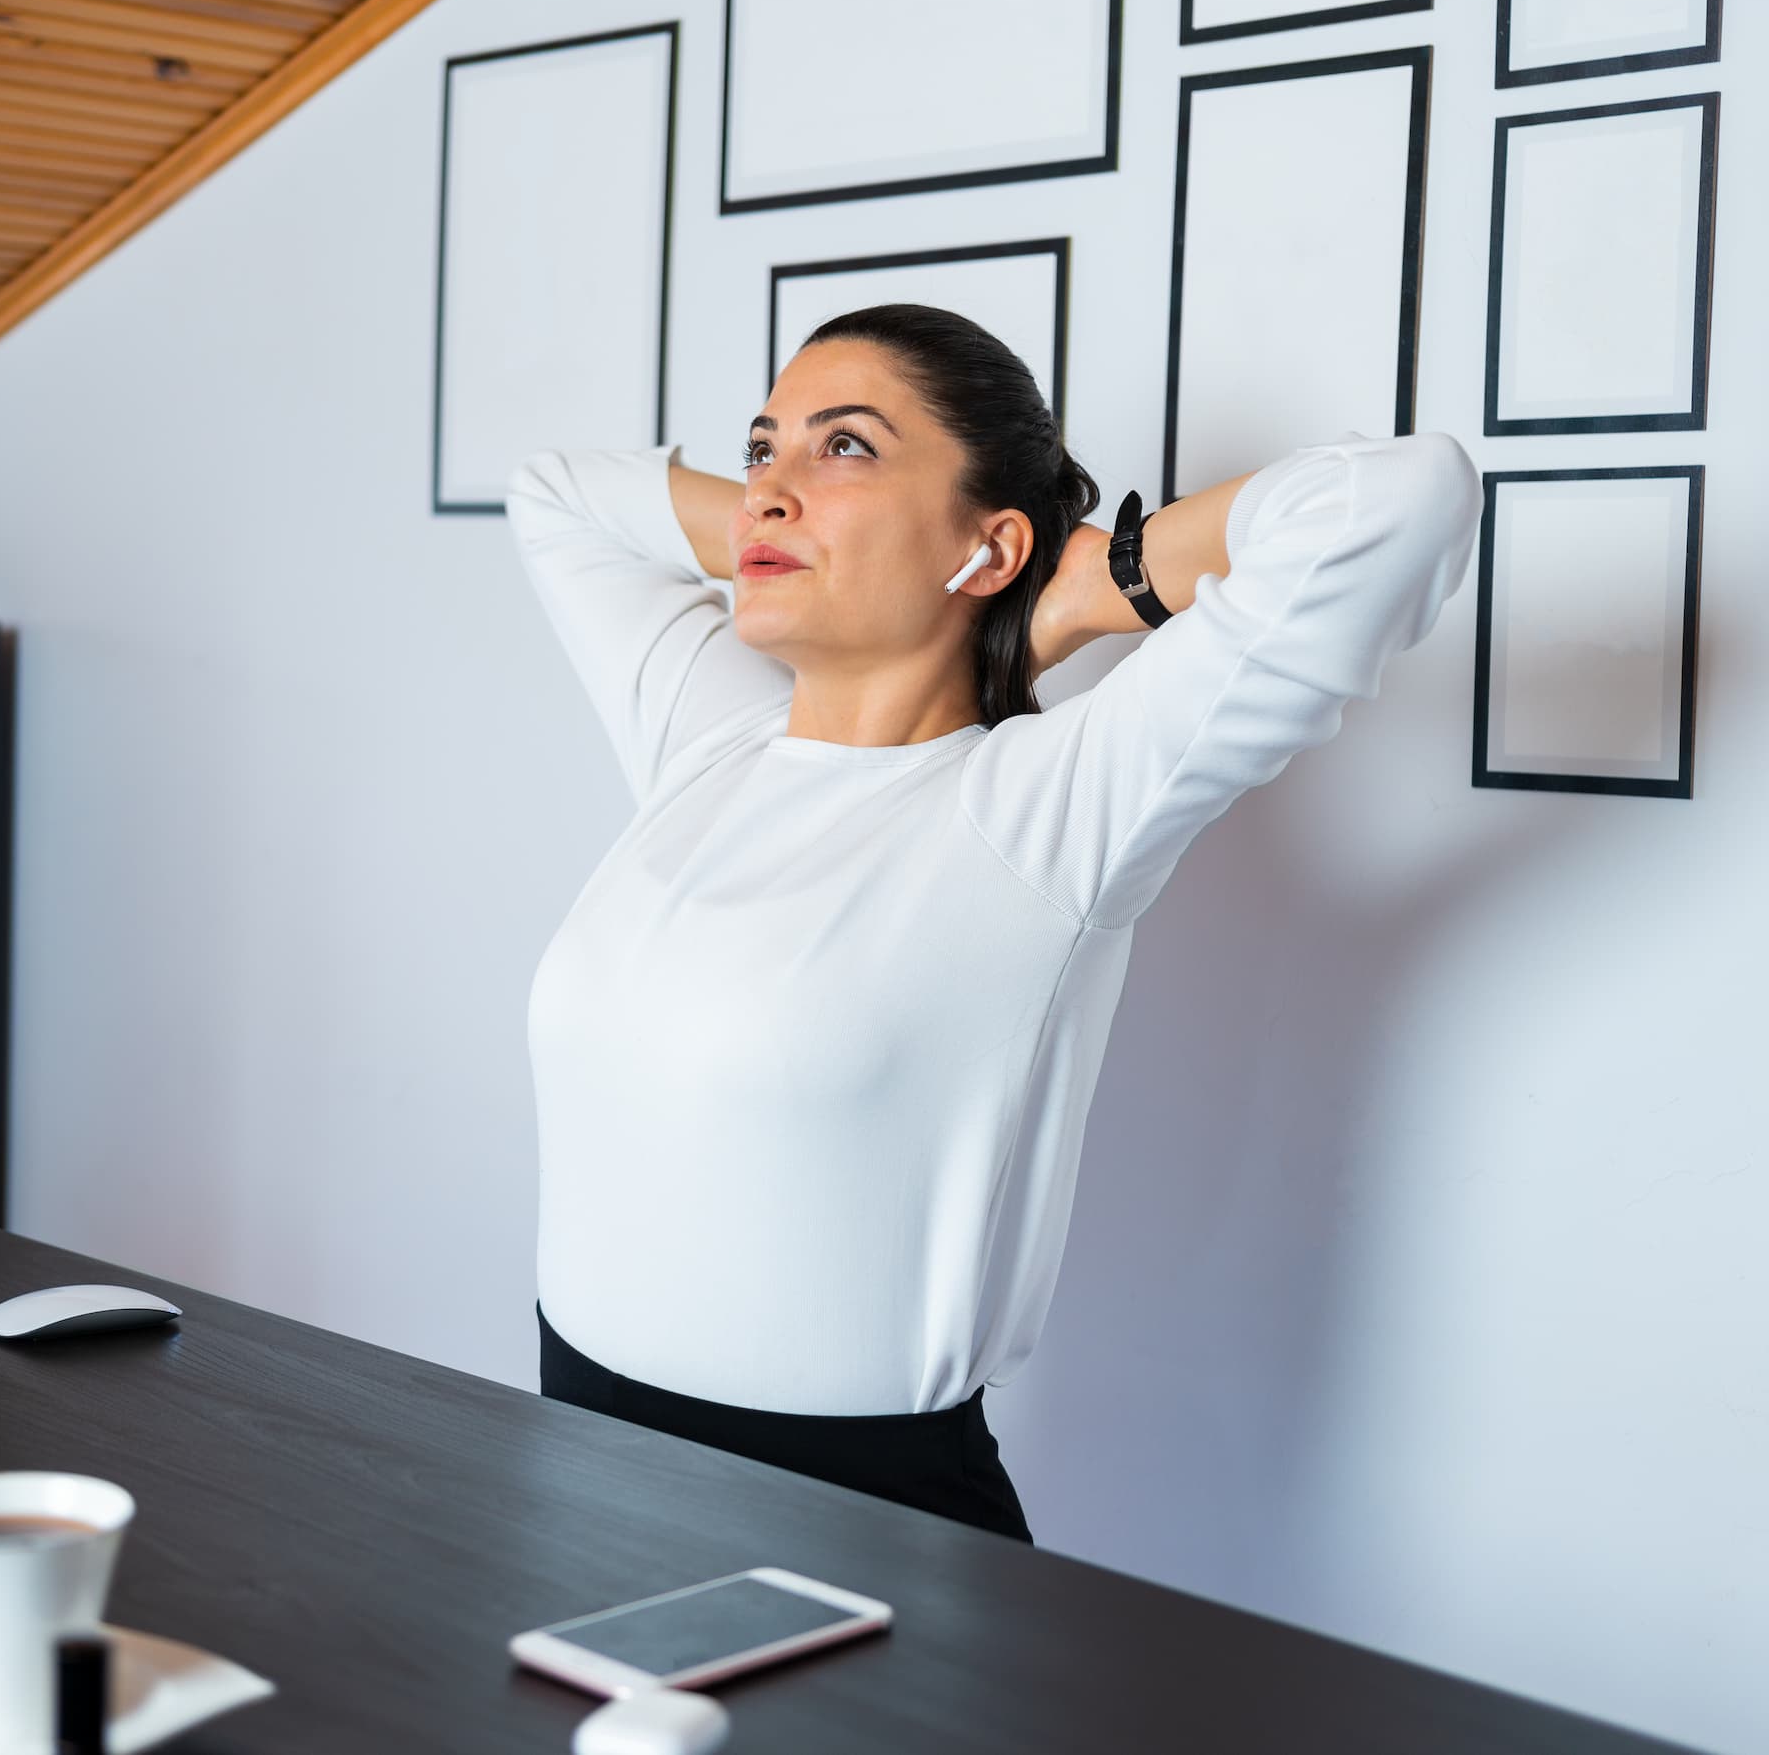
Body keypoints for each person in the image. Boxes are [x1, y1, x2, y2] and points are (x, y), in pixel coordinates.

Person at [506, 303, 1481, 1544]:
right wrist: (814, 519)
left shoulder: (1045, 808)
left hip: (856, 1534)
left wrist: (1085, 586)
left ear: (990, 541)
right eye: (761, 451)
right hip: (568, 1469)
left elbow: (1402, 498)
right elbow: (556, 498)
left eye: (844, 446)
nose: (764, 492)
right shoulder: (707, 739)